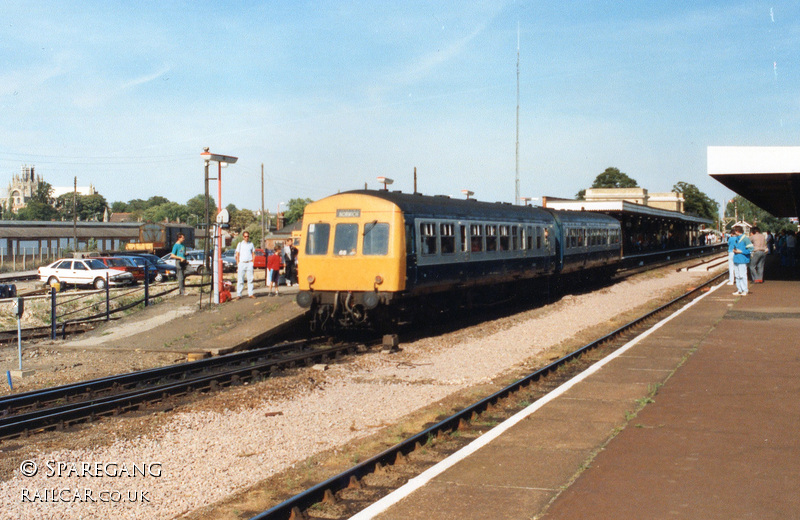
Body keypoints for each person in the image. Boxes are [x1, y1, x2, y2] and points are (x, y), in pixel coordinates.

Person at [731, 225, 753, 296]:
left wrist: (741, 251)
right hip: (737, 259)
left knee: (742, 275)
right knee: (737, 275)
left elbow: (750, 249)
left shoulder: (745, 239)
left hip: (742, 260)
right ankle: (739, 289)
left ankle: (745, 290)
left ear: (737, 231)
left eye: (735, 231)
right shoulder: (737, 239)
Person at [235, 231, 256, 299]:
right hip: (242, 263)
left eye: (247, 236)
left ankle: (250, 293)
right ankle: (239, 294)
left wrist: (252, 262)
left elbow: (253, 253)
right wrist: (238, 263)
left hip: (249, 263)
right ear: (243, 237)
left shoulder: (251, 244)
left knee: (250, 279)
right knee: (240, 279)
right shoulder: (240, 244)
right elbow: (237, 254)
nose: (246, 238)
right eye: (245, 236)